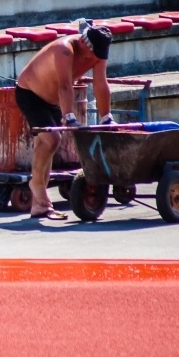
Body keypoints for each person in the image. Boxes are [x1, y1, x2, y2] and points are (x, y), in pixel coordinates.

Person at [15, 18, 113, 221]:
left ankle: (38, 206)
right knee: (52, 139)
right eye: (93, 55)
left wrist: (106, 117)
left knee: (45, 144)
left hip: (51, 100)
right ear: (86, 44)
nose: (95, 60)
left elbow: (101, 84)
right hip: (30, 93)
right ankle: (37, 184)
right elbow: (65, 86)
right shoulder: (64, 49)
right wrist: (69, 117)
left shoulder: (99, 51)